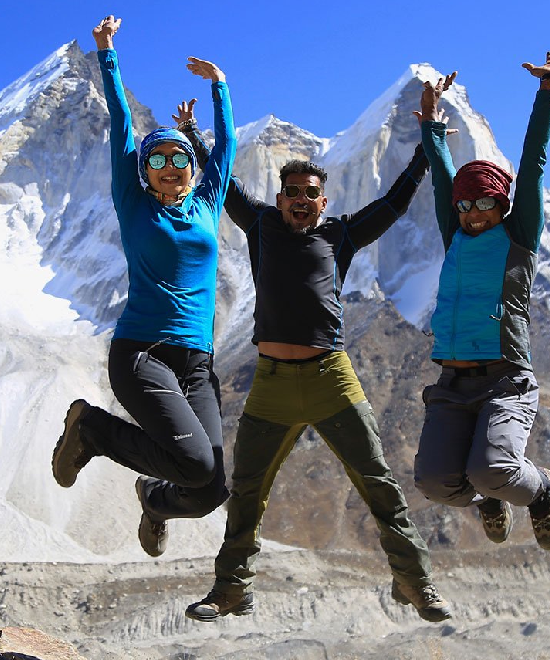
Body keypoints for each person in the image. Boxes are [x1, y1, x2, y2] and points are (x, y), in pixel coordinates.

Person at [173, 99, 451, 623]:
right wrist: (192, 133)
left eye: (311, 194)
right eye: (292, 193)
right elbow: (224, 182)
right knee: (248, 490)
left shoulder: (341, 233)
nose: (301, 201)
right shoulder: (258, 224)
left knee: (378, 482)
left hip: (331, 378)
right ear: (280, 198)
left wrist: (428, 139)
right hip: (271, 383)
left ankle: (416, 583)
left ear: (324, 202)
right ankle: (231, 589)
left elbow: (395, 201)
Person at [50, 14, 236, 559]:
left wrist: (220, 85)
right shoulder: (133, 206)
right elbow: (122, 125)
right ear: (144, 171)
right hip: (142, 354)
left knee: (211, 489)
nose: (171, 165)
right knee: (197, 464)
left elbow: (225, 147)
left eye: (180, 157)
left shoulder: (206, 203)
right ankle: (93, 431)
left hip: (196, 364)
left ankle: (154, 501)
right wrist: (106, 52)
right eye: (158, 159)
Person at [411, 47, 550, 548]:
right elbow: (442, 180)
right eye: (465, 204)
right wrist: (430, 127)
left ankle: (542, 491)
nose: (472, 212)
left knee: (494, 468)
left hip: (505, 378)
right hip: (451, 382)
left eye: (484, 202)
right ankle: (489, 498)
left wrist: (547, 93)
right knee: (434, 483)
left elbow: (533, 163)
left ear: (502, 203)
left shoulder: (519, 234)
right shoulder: (454, 233)